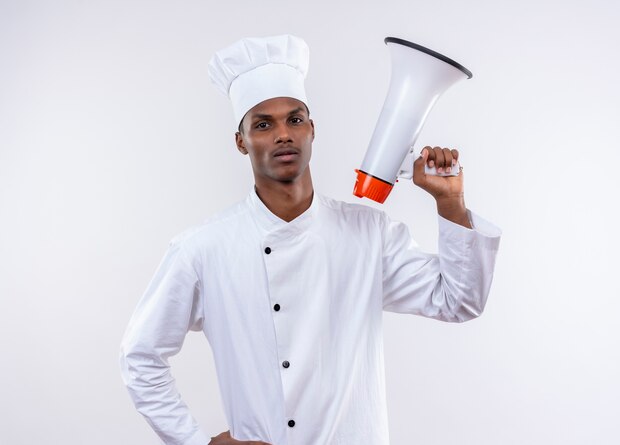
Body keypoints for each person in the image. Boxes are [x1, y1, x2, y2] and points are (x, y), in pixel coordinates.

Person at [120, 35, 501, 445]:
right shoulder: (203, 248)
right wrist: (196, 443)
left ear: (312, 130)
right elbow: (140, 357)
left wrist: (451, 202)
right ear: (240, 141)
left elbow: (459, 301)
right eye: (263, 124)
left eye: (295, 119)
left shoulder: (369, 233)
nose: (283, 134)